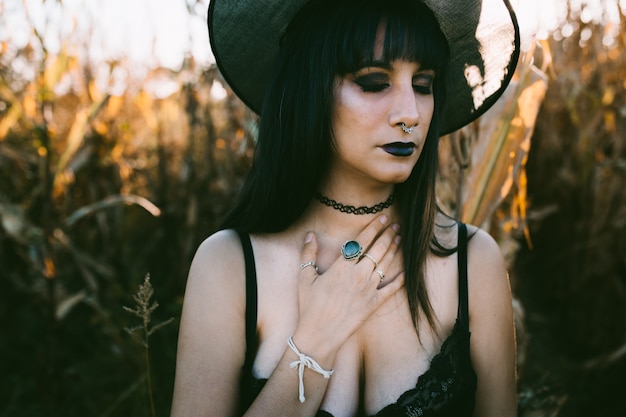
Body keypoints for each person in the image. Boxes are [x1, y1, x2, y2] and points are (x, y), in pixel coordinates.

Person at [171, 0, 520, 415]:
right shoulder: (227, 268)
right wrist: (315, 341)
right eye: (374, 82)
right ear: (309, 87)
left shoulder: (473, 263)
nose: (410, 113)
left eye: (423, 84)